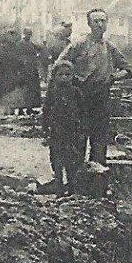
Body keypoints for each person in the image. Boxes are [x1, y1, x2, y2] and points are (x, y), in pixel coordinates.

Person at [56, 8, 132, 173]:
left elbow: (129, 69)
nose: (100, 25)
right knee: (78, 137)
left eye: (103, 21)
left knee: (99, 138)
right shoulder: (78, 44)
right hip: (80, 96)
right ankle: (75, 177)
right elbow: (60, 64)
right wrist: (72, 79)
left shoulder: (109, 48)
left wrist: (114, 77)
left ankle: (96, 179)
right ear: (89, 24)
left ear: (107, 24)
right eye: (96, 21)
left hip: (101, 97)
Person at [41, 60, 84, 194]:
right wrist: (45, 129)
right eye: (61, 74)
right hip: (57, 131)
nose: (64, 77)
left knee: (72, 160)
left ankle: (72, 187)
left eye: (68, 74)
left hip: (72, 131)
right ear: (54, 76)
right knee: (56, 159)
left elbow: (83, 112)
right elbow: (46, 111)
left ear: (73, 76)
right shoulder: (52, 93)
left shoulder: (76, 92)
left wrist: (82, 130)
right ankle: (59, 186)